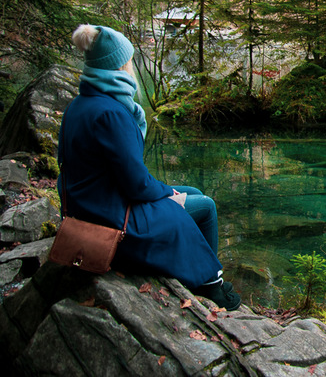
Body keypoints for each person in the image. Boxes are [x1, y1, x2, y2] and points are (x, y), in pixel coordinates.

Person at [56, 24, 241, 310]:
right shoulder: (111, 113)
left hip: (89, 206)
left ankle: (198, 270)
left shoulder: (80, 105)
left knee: (191, 190)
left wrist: (168, 192)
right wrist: (167, 193)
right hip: (111, 222)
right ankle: (209, 285)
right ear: (120, 64)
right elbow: (136, 184)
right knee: (205, 206)